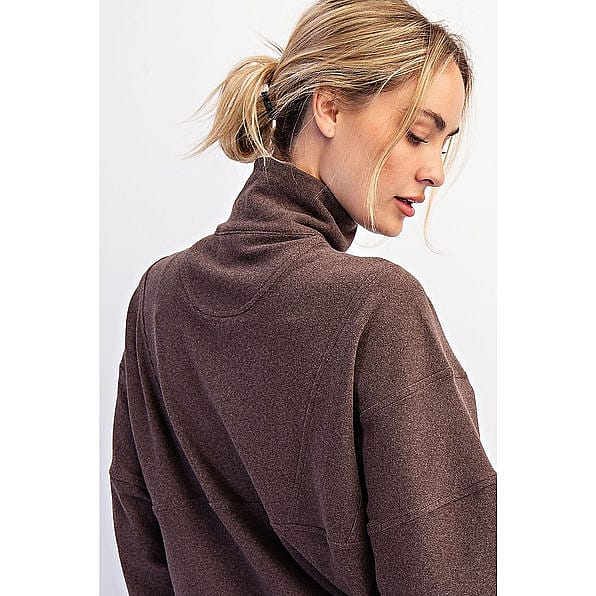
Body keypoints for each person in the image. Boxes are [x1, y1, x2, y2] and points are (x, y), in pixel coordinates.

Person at [109, 0, 496, 594]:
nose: (435, 172)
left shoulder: (158, 297)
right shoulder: (377, 306)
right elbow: (444, 570)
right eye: (418, 134)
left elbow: (142, 542)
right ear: (330, 106)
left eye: (443, 145)